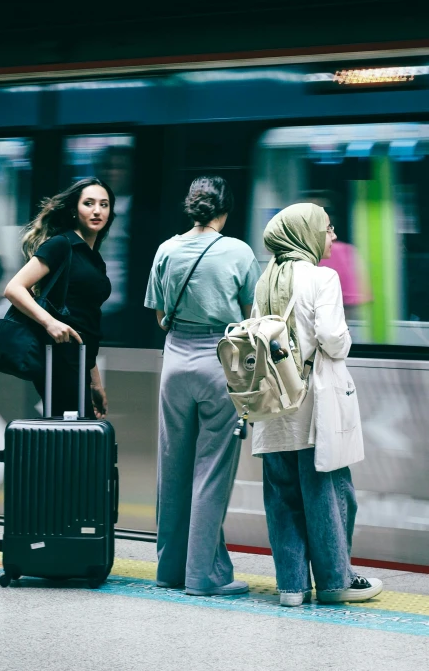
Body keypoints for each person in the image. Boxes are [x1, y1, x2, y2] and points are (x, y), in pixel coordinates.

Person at [251, 203, 382, 606]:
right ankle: (334, 581)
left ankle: (291, 587)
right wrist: (341, 340)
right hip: (314, 406)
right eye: (327, 229)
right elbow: (333, 338)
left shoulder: (265, 281)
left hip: (273, 407)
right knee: (328, 493)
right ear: (306, 233)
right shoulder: (322, 277)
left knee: (283, 497)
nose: (333, 237)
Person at [145, 176, 261, 596]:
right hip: (220, 362)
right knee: (211, 470)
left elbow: (160, 318)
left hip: (175, 362)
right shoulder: (239, 252)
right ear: (224, 209)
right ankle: (203, 577)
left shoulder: (166, 250)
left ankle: (168, 570)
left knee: (172, 468)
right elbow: (250, 318)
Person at [4, 178, 114, 419]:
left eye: (104, 204)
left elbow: (87, 323)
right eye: (89, 203)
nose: (97, 210)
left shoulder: (93, 259)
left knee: (76, 439)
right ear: (74, 210)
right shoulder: (61, 245)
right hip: (58, 359)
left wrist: (95, 383)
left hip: (79, 360)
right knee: (70, 442)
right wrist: (49, 322)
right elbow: (14, 288)